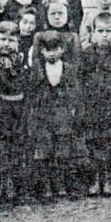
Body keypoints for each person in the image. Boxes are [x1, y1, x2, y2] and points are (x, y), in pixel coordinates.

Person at [25, 30, 86, 199]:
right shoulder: (37, 69)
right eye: (47, 49)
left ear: (63, 50)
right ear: (41, 51)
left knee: (63, 148)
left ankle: (61, 184)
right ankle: (46, 185)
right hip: (42, 113)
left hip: (62, 112)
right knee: (44, 149)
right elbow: (32, 92)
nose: (51, 53)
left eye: (55, 48)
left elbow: (75, 92)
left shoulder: (69, 69)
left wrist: (74, 109)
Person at [78, 12, 111, 196]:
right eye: (100, 31)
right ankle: (95, 179)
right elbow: (80, 79)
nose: (105, 35)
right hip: (92, 105)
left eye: (109, 31)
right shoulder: (86, 54)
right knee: (92, 142)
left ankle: (109, 179)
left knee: (110, 142)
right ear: (92, 33)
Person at [0, 21, 27, 202]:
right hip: (0, 107)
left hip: (19, 108)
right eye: (2, 39)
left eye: (11, 40)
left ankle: (13, 182)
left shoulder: (21, 60)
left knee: (17, 145)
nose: (6, 44)